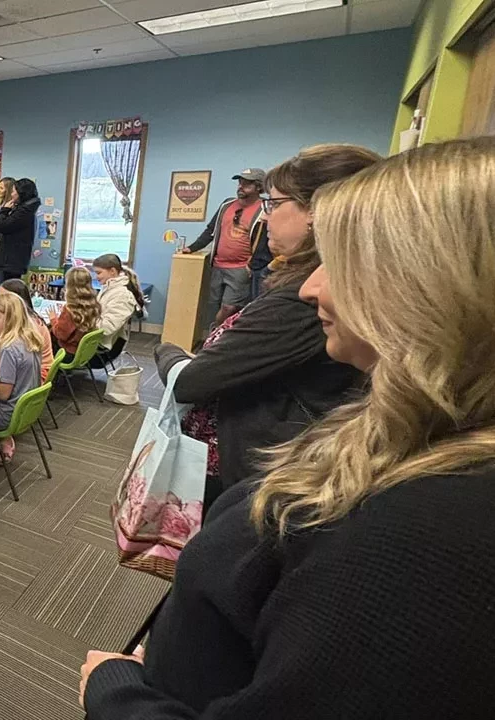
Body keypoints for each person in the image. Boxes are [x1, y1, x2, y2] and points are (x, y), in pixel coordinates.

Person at [82, 132, 495, 719]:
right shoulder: (422, 446)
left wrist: (116, 694)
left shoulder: (428, 538)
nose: (312, 285)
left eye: (343, 263)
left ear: (447, 291)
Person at [153, 145, 376, 508]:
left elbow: (191, 382)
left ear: (317, 212)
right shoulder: (304, 281)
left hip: (261, 473)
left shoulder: (299, 303)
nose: (265, 218)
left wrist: (168, 351)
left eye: (273, 205)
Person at [183, 169, 269, 324]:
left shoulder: (265, 208)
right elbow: (211, 230)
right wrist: (192, 248)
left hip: (241, 268)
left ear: (258, 187)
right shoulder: (226, 205)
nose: (241, 187)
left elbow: (266, 240)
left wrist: (252, 264)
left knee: (230, 307)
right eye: (240, 182)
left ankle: (218, 335)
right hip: (218, 265)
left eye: (247, 184)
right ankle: (214, 339)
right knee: (213, 305)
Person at [0, 293, 43, 461]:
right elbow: (20, 362)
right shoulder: (30, 338)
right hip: (24, 411)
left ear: (11, 318)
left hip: (4, 415)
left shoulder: (9, 348)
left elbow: (3, 393)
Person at [90, 254, 145, 366]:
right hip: (99, 342)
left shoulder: (122, 295)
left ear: (112, 271)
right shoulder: (109, 288)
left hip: (104, 350)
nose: (96, 277)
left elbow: (106, 328)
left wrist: (84, 320)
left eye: (99, 273)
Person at [0, 279, 53, 382]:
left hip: (36, 374)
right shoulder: (13, 317)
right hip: (29, 369)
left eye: (3, 299)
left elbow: (19, 361)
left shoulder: (30, 325)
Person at [0, 178, 40, 283]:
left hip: (12, 259)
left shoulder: (24, 211)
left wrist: (4, 210)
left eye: (14, 191)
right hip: (13, 258)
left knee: (9, 287)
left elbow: (2, 226)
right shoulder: (25, 208)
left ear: (21, 193)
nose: (12, 194)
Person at [50, 266, 100, 356]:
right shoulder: (94, 304)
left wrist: (53, 319)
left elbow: (60, 334)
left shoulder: (70, 309)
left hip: (67, 352)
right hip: (83, 351)